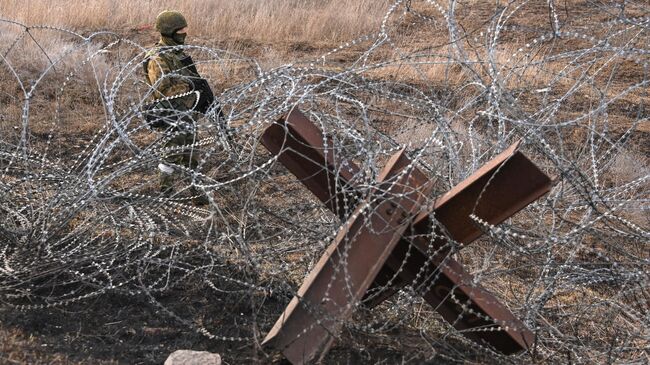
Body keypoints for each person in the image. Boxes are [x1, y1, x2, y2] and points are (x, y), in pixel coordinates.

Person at [144, 10, 215, 205]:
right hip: (171, 113)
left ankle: (195, 191)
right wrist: (191, 86)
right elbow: (162, 90)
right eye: (181, 30)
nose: (184, 33)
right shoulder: (158, 58)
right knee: (171, 154)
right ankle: (165, 192)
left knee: (191, 153)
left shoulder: (177, 54)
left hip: (186, 111)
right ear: (169, 31)